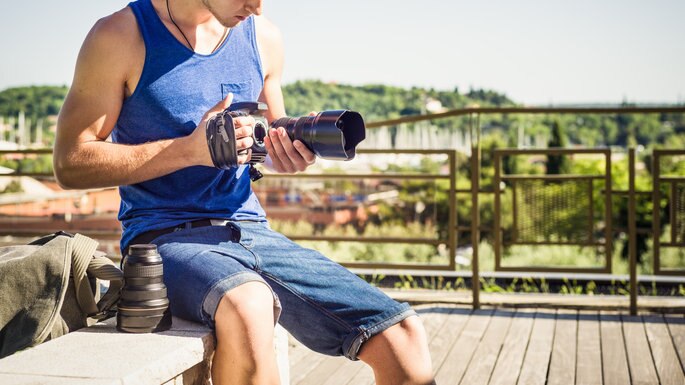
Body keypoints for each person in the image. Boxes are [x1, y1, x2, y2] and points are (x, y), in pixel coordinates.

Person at [54, 0, 435, 384]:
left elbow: (265, 144)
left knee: (401, 336)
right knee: (250, 304)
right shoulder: (120, 35)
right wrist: (188, 150)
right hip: (164, 238)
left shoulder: (263, 36)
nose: (256, 7)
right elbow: (70, 162)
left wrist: (282, 156)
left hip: (252, 232)